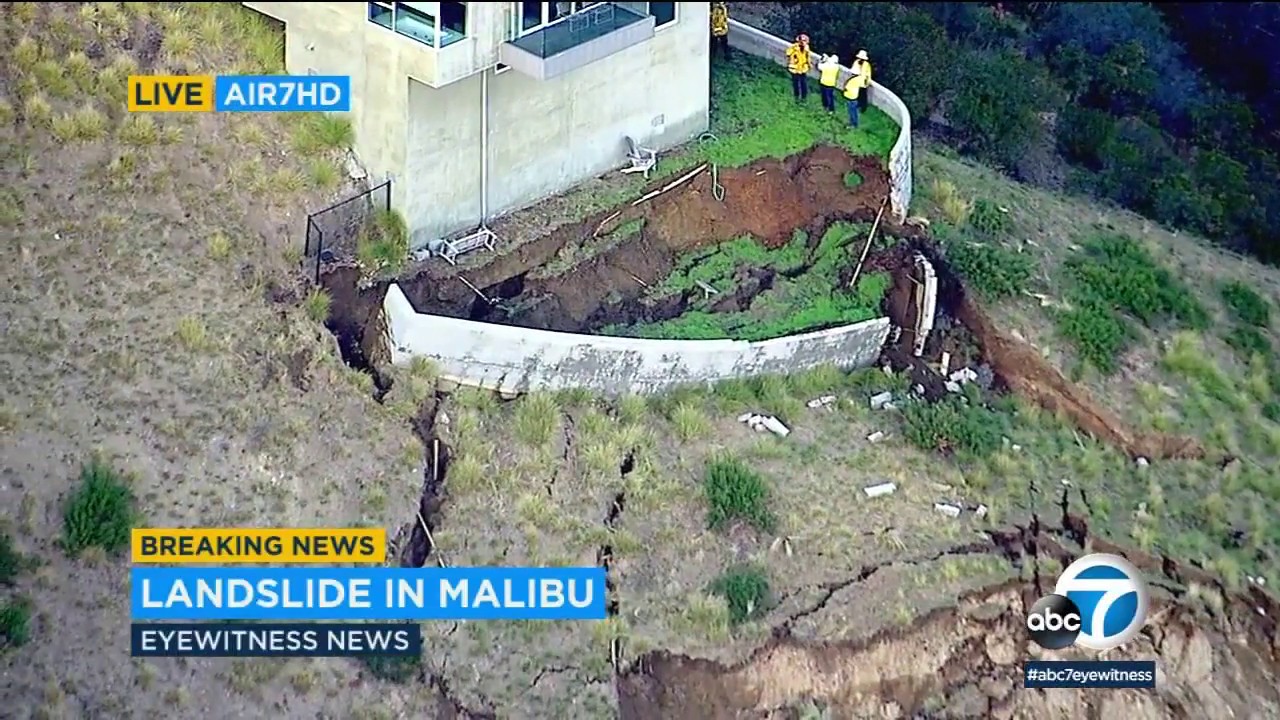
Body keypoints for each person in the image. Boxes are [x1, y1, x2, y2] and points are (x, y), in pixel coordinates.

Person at [785, 34, 811, 102]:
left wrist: (809, 65)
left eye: (804, 41)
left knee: (804, 84)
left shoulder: (806, 48)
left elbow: (808, 58)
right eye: (802, 41)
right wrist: (794, 48)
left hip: (803, 69)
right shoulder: (794, 47)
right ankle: (796, 97)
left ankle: (803, 98)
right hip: (795, 69)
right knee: (796, 84)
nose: (803, 42)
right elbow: (788, 53)